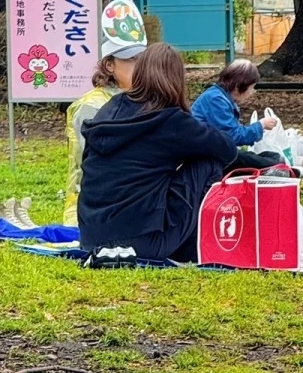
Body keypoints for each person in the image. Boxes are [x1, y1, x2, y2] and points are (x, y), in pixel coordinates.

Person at [78, 43, 232, 262]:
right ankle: (193, 247)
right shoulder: (172, 120)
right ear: (178, 79)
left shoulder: (110, 108)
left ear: (139, 72)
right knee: (207, 163)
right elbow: (226, 149)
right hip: (143, 244)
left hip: (92, 238)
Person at [63, 0, 148, 225]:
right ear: (109, 65)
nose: (140, 68)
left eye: (143, 60)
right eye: (131, 60)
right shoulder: (91, 106)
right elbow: (91, 164)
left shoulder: (146, 99)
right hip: (94, 208)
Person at [191, 59, 285, 170]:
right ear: (237, 86)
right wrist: (260, 125)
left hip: (213, 152)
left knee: (268, 156)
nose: (252, 92)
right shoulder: (216, 100)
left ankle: (282, 165)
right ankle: (295, 170)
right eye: (251, 87)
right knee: (254, 160)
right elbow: (232, 137)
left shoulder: (219, 96)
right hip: (206, 159)